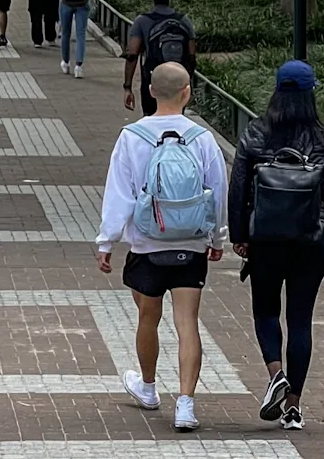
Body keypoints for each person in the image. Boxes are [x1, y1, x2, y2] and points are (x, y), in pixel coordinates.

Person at [96, 62, 227, 433]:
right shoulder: (202, 139)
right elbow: (217, 193)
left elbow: (118, 194)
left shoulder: (131, 137)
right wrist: (216, 238)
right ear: (188, 92)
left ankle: (149, 387)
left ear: (150, 91)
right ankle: (185, 404)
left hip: (146, 244)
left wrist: (107, 241)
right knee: (188, 324)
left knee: (147, 318)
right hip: (190, 244)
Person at [228, 61, 324, 431]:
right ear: (311, 93)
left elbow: (238, 190)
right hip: (311, 240)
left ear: (277, 90)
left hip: (265, 240)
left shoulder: (256, 133)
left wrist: (239, 235)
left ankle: (275, 373)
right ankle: (294, 408)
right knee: (300, 319)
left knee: (265, 310)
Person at [124, 0, 197, 116]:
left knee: (151, 121)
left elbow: (132, 56)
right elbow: (191, 57)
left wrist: (127, 87)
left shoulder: (142, 22)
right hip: (178, 83)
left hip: (152, 80)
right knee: (176, 122)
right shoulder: (184, 21)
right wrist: (189, 86)